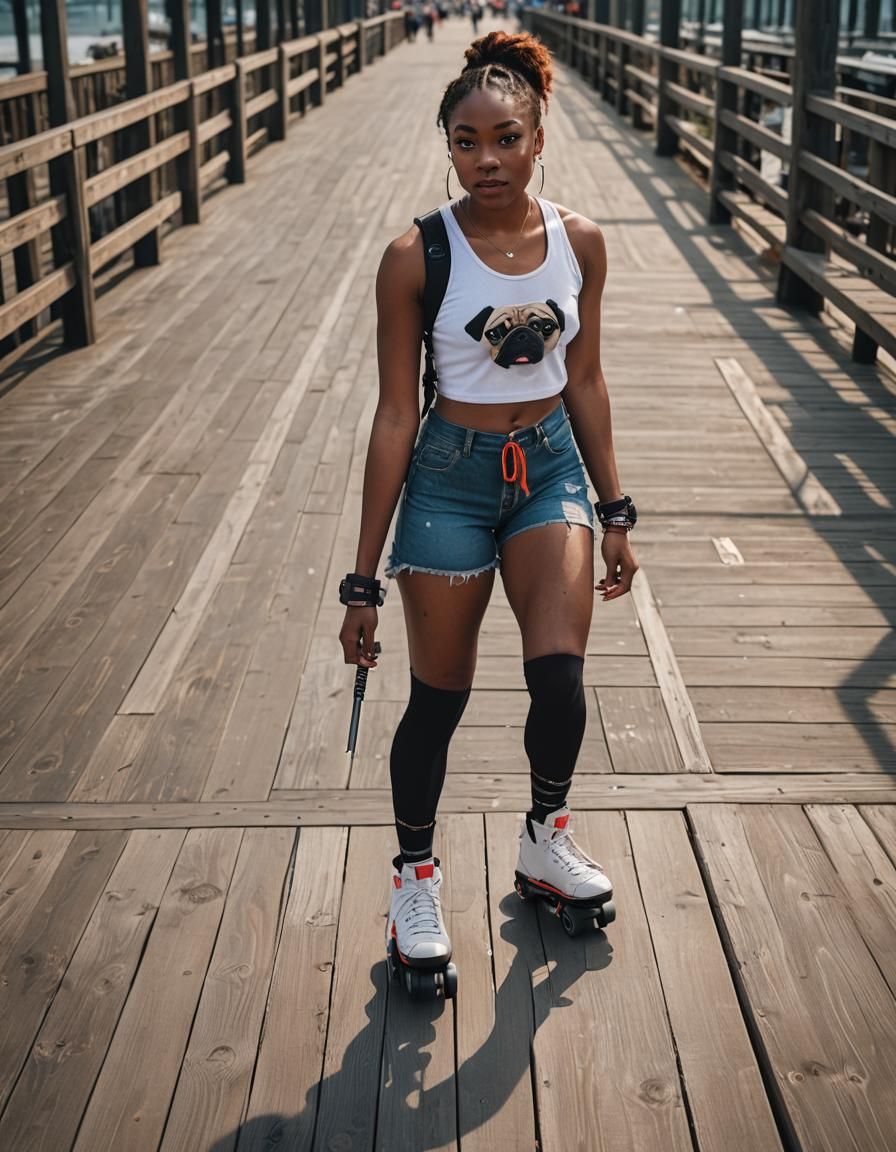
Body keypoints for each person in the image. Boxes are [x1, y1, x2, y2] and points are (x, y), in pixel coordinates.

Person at [338, 31, 638, 974]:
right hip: (448, 479)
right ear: (449, 147)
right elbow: (396, 414)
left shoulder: (580, 243)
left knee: (560, 679)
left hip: (548, 468)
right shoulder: (414, 256)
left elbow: (584, 378)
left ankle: (545, 837)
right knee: (439, 699)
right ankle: (415, 880)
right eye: (467, 142)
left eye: (507, 138)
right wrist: (361, 579)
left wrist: (616, 510)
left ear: (539, 137)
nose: (488, 159)